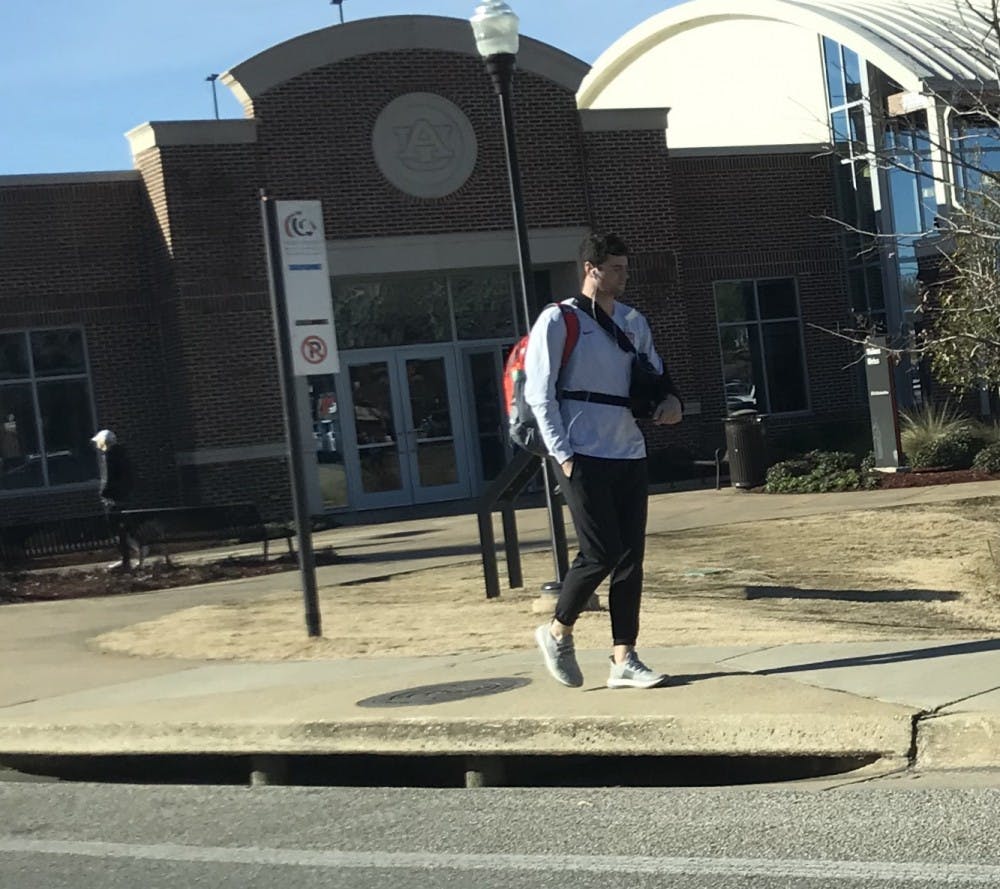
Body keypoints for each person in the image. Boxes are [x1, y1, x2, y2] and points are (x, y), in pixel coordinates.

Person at [525, 232, 683, 689]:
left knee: (631, 557)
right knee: (601, 551)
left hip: (628, 449)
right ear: (591, 269)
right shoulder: (559, 320)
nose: (624, 276)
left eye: (626, 268)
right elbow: (540, 392)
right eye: (616, 268)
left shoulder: (634, 322)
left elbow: (659, 379)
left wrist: (671, 402)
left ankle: (624, 659)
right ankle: (557, 631)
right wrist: (563, 454)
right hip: (581, 451)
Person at [91, 428, 144, 569]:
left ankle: (127, 558)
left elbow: (108, 478)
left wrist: (104, 492)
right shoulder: (123, 455)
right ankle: (134, 553)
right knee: (126, 528)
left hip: (114, 499)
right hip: (125, 497)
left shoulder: (109, 456)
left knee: (116, 529)